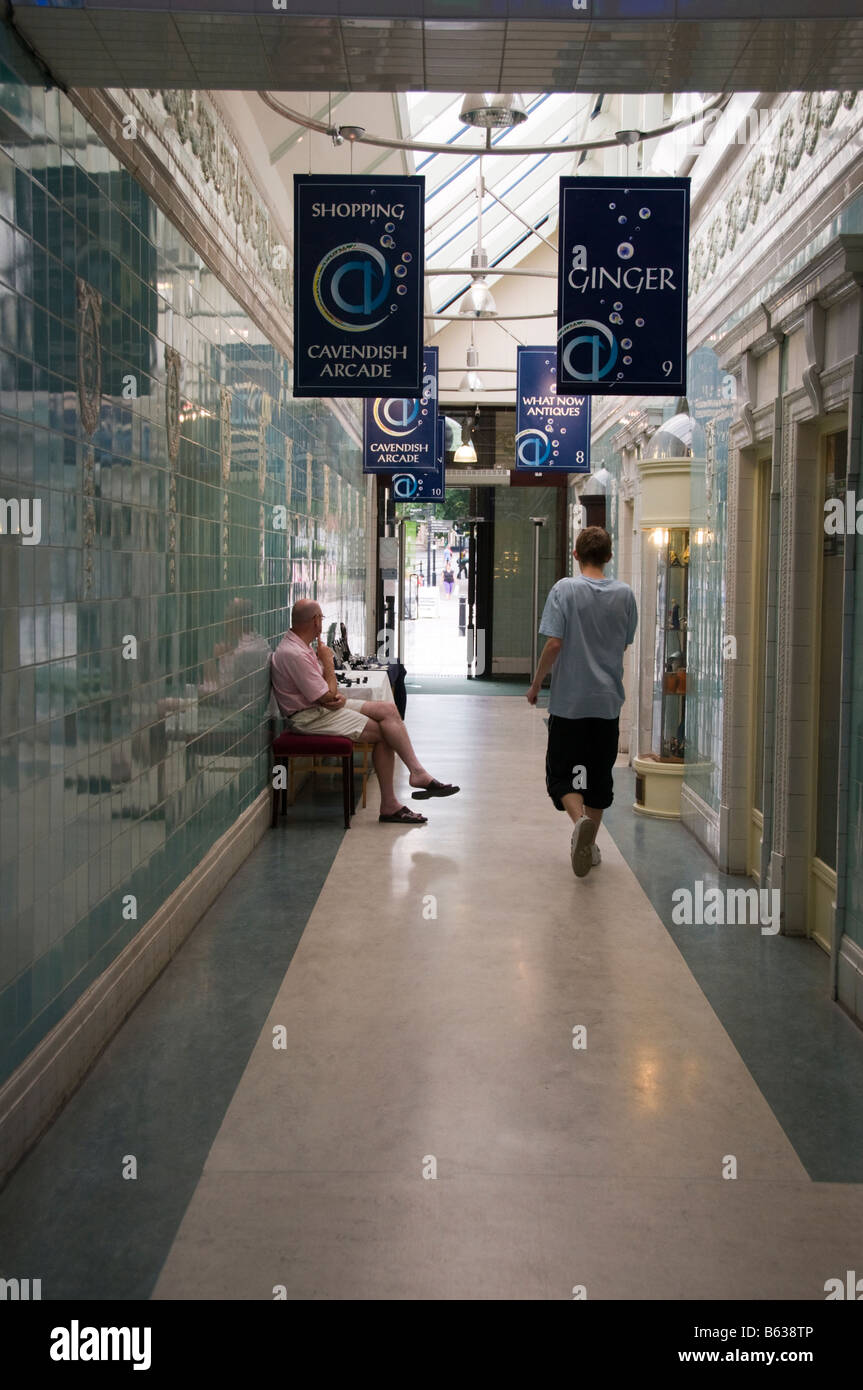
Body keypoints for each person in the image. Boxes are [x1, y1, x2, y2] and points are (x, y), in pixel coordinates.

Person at [272, 599, 459, 825]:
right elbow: (326, 695)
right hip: (308, 718)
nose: (321, 622)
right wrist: (328, 664)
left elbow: (327, 693)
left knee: (387, 709)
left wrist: (334, 694)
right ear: (315, 621)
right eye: (321, 618)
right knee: (384, 733)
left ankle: (417, 772)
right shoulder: (295, 653)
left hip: (319, 708)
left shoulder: (301, 646)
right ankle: (390, 804)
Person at [526, 526, 637, 878]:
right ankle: (588, 842)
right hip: (606, 704)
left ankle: (579, 826)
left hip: (569, 703)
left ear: (575, 555)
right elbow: (623, 643)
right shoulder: (625, 595)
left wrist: (537, 683)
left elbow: (554, 644)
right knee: (598, 779)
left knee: (561, 776)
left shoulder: (565, 589)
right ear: (609, 556)